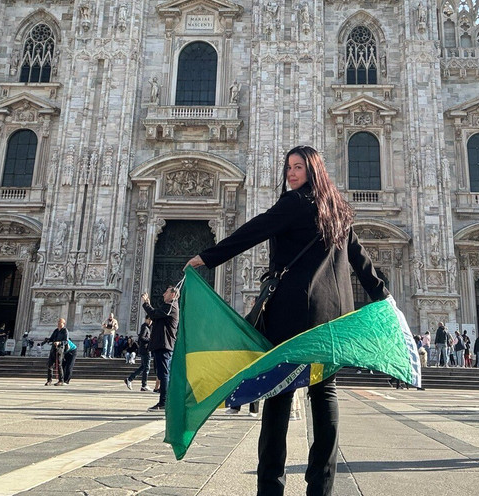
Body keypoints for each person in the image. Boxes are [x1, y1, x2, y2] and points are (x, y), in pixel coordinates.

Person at [186, 144, 389, 496]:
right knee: (324, 394)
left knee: (278, 395)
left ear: (313, 170)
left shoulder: (295, 203)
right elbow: (361, 260)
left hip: (294, 312)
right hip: (334, 318)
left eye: (298, 167)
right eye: (289, 167)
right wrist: (384, 298)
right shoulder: (337, 208)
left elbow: (255, 229)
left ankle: (270, 487)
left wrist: (208, 256)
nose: (291, 174)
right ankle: (321, 487)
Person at [141, 285, 179, 412]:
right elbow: (156, 315)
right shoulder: (168, 307)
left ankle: (163, 402)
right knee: (162, 374)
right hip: (161, 344)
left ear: (173, 295)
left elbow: (153, 314)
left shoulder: (171, 307)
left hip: (164, 344)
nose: (163, 294)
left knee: (164, 374)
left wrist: (146, 303)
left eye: (166, 292)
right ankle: (166, 401)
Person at [124, 316, 153, 391]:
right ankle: (144, 385)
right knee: (146, 367)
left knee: (143, 367)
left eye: (151, 320)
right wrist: (150, 340)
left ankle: (130, 379)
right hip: (145, 349)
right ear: (146, 319)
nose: (150, 321)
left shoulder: (146, 327)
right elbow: (141, 338)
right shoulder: (145, 328)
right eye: (149, 319)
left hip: (144, 349)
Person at [43, 318, 69, 385]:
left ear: (63, 323)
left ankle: (61, 380)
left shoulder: (65, 331)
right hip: (53, 348)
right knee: (50, 364)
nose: (58, 323)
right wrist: (48, 340)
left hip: (60, 349)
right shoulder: (56, 331)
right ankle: (49, 380)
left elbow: (66, 341)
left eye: (60, 322)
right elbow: (52, 338)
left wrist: (59, 342)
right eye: (58, 322)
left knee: (59, 364)